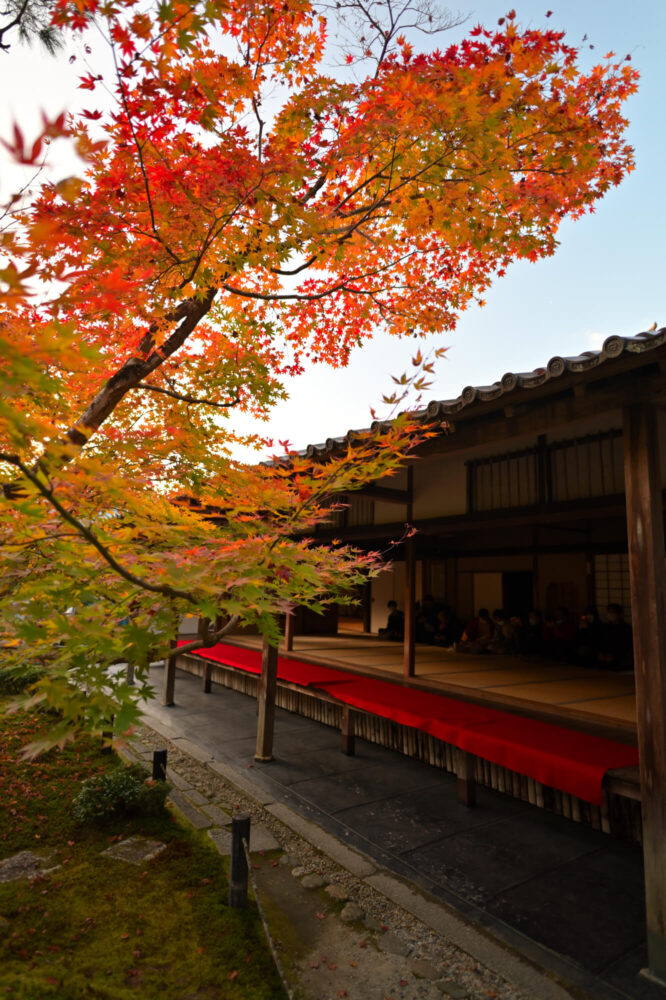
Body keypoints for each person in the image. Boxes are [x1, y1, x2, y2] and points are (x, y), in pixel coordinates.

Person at [597, 603, 633, 670]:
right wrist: (602, 653)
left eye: (613, 612)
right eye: (609, 612)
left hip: (620, 656)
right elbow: (602, 641)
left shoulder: (626, 629)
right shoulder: (606, 627)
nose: (611, 614)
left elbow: (626, 645)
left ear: (619, 614)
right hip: (606, 655)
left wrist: (614, 655)